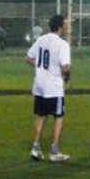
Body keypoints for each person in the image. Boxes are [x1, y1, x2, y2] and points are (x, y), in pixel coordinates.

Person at [26, 15, 72, 163]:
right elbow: (65, 67)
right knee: (59, 117)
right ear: (60, 26)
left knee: (41, 115)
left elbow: (29, 58)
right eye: (65, 24)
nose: (67, 27)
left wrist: (41, 67)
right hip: (54, 86)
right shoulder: (62, 44)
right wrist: (67, 78)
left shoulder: (41, 39)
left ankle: (36, 147)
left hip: (39, 84)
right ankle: (54, 151)